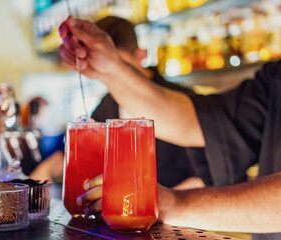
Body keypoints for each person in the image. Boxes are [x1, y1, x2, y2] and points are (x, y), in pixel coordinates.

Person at [59, 16, 281, 238]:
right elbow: (202, 121)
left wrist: (172, 203)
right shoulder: (275, 79)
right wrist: (109, 70)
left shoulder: (179, 91)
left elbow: (214, 169)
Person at [30, 16, 209, 190]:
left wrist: (164, 203)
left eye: (119, 65)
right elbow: (85, 150)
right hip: (120, 214)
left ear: (141, 55)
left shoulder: (182, 100)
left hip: (178, 216)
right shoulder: (108, 104)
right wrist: (52, 165)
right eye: (104, 67)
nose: (114, 74)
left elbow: (207, 178)